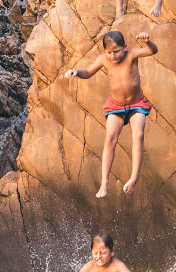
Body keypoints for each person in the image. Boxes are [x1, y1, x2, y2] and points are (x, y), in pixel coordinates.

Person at [66, 29, 158, 196]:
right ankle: (105, 183)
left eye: (116, 51)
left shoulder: (132, 55)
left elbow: (153, 51)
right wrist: (77, 72)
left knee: (138, 135)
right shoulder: (104, 59)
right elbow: (88, 73)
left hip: (137, 104)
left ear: (125, 47)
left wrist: (147, 41)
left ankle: (134, 177)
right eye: (109, 52)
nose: (113, 55)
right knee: (109, 139)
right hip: (116, 106)